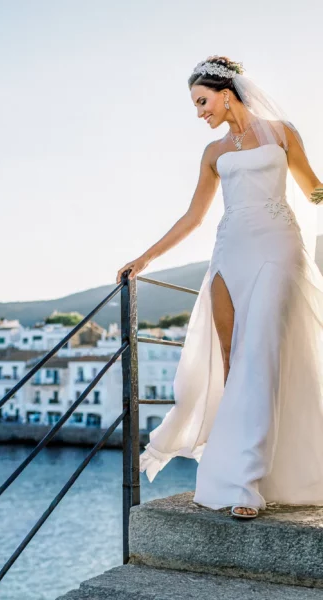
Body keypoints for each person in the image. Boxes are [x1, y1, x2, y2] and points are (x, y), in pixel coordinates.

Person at [115, 55, 323, 519]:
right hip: (229, 255)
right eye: (195, 105)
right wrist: (144, 258)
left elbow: (312, 188)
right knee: (232, 363)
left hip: (278, 249)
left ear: (227, 93)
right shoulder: (213, 153)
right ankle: (239, 469)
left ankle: (246, 485)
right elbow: (193, 217)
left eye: (202, 101)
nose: (199, 112)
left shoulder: (282, 132)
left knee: (261, 357)